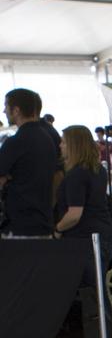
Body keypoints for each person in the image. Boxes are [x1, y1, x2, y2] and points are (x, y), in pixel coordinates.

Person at [54, 125, 112, 275]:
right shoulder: (98, 169)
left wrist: (57, 230)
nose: (60, 145)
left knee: (88, 290)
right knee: (96, 289)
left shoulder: (76, 174)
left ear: (74, 145)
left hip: (84, 238)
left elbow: (74, 214)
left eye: (64, 142)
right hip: (103, 234)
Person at [0, 87, 59, 235]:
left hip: (20, 224)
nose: (4, 111)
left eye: (6, 106)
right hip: (44, 220)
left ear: (16, 110)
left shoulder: (16, 142)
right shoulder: (48, 137)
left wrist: (7, 178)